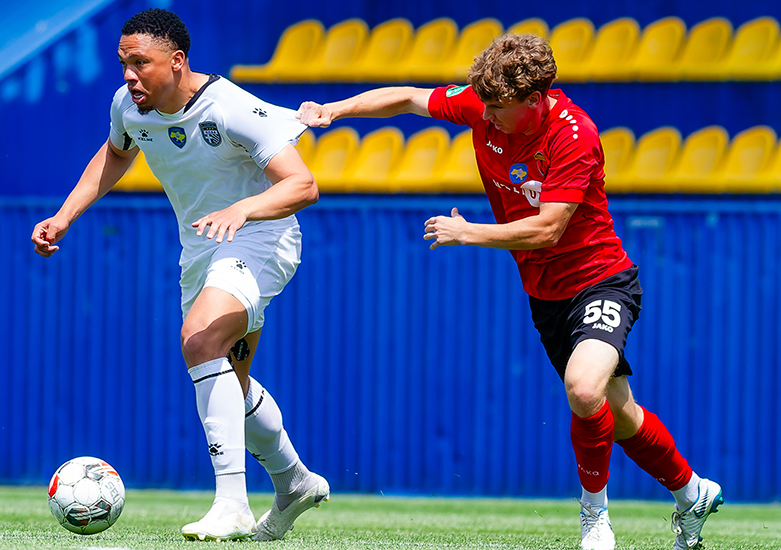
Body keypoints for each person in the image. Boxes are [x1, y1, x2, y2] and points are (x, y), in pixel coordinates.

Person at [297, 33, 721, 550]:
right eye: (486, 106)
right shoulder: (485, 105)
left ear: (534, 99)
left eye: (498, 109)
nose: (488, 116)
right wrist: (335, 110)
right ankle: (692, 493)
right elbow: (408, 97)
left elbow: (548, 229)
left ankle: (595, 519)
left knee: (583, 389)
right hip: (546, 295)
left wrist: (468, 232)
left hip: (599, 280)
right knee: (620, 413)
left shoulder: (574, 134)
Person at [31, 8, 329, 542]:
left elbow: (302, 185)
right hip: (202, 249)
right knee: (229, 382)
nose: (129, 75)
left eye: (140, 63)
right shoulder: (129, 106)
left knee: (199, 339)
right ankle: (294, 482)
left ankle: (232, 505)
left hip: (261, 237)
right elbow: (115, 153)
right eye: (123, 64)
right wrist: (64, 216)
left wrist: (243, 210)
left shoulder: (230, 106)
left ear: (177, 61)